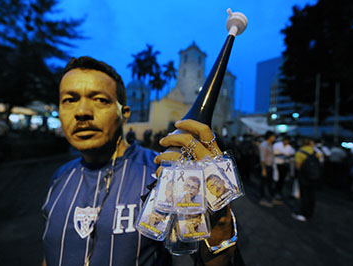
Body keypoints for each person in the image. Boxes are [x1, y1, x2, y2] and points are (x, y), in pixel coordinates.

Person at [42, 56, 237, 266]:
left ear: (124, 113)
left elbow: (209, 260)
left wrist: (220, 223)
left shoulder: (161, 173)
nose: (82, 112)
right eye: (69, 100)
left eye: (100, 100)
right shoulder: (60, 178)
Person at [292, 137, 322, 222]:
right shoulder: (316, 153)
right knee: (311, 195)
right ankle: (310, 213)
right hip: (314, 177)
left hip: (304, 177)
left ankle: (303, 213)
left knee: (304, 195)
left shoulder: (299, 153)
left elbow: (297, 167)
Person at [272, 134, 295, 203]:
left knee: (282, 179)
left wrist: (288, 156)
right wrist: (280, 154)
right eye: (285, 140)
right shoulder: (277, 145)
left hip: (285, 164)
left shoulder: (290, 147)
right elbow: (273, 153)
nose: (286, 142)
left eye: (287, 141)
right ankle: (275, 191)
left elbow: (292, 154)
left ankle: (279, 191)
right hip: (277, 163)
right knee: (277, 178)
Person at [258, 130, 276, 207]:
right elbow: (262, 159)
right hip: (266, 167)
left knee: (269, 183)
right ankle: (262, 199)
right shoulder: (264, 145)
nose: (274, 138)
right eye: (273, 136)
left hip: (270, 166)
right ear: (270, 137)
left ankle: (271, 198)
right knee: (263, 183)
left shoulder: (270, 144)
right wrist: (264, 169)